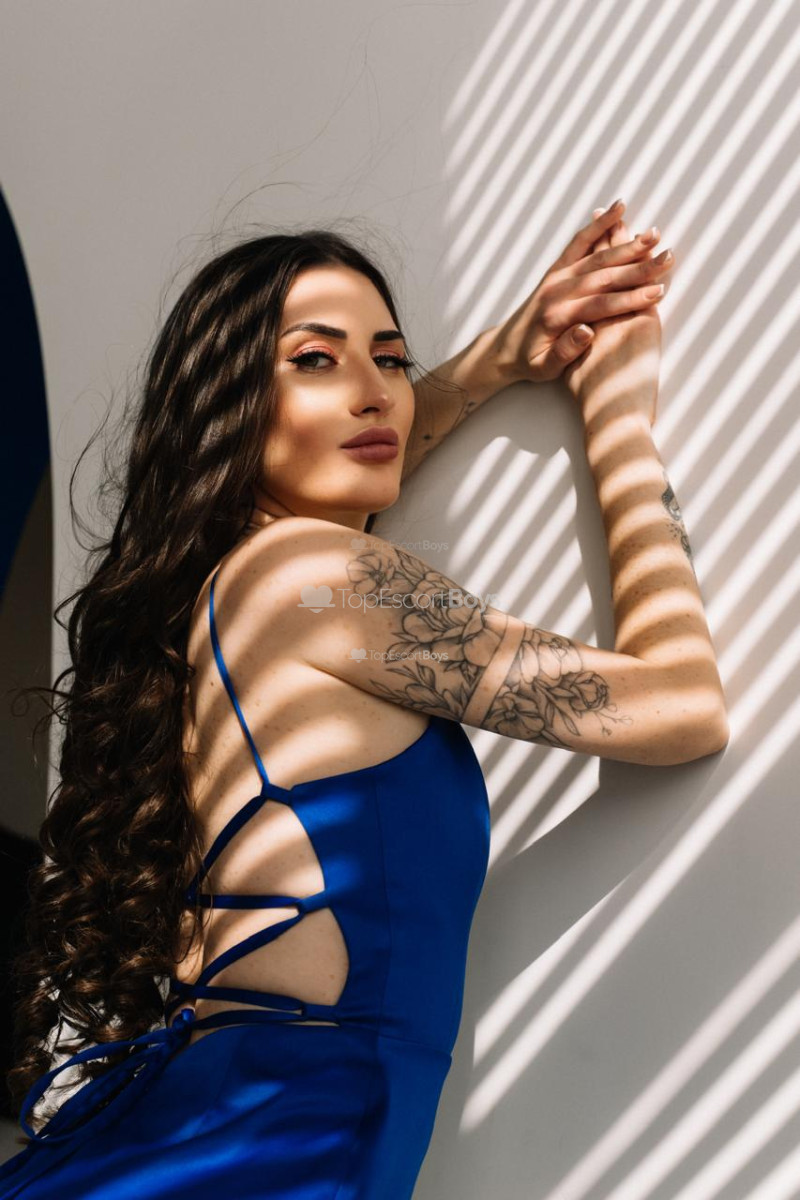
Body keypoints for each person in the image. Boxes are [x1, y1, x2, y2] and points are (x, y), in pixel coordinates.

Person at [0, 203, 728, 1198]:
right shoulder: (313, 576)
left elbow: (352, 447)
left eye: (389, 358)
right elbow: (681, 705)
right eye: (314, 359)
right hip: (267, 1141)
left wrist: (498, 357)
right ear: (228, 405)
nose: (373, 393)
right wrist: (618, 424)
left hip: (240, 1122)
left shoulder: (232, 591)